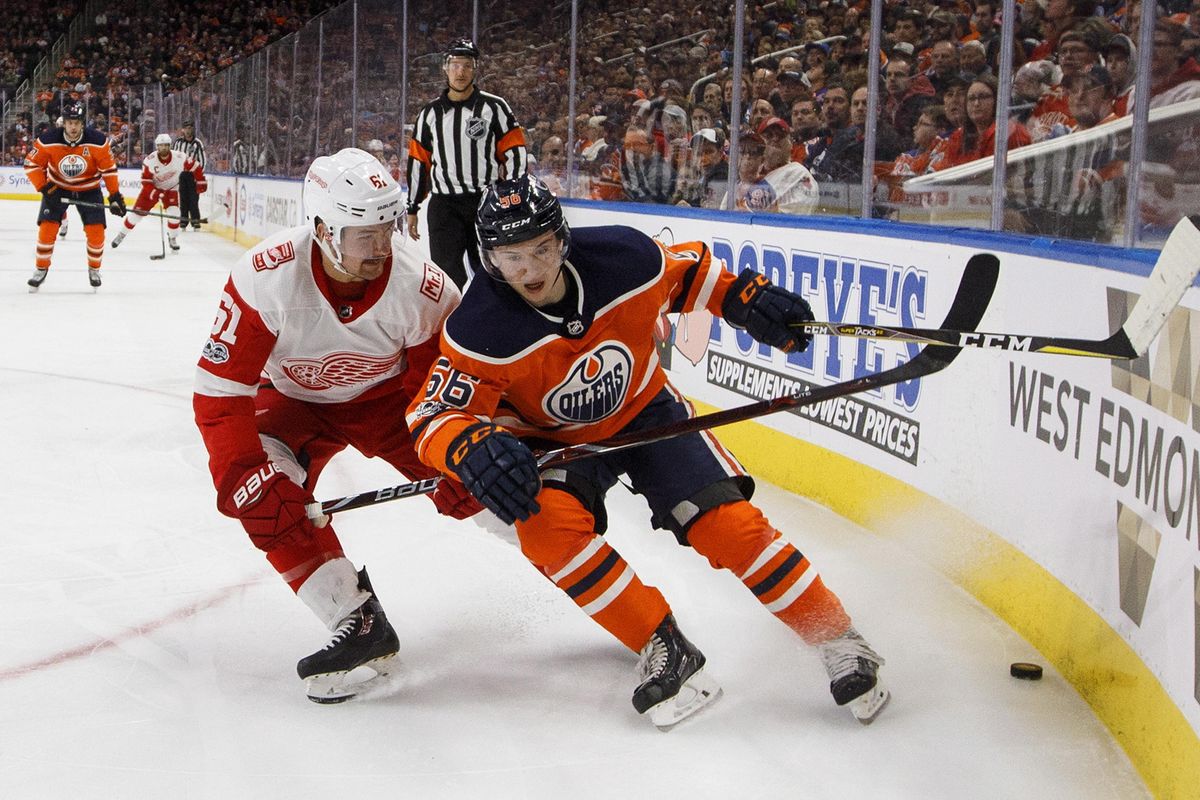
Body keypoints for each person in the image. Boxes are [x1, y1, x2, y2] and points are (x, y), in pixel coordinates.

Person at [406, 175, 890, 729]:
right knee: (545, 528)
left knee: (726, 526)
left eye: (541, 248)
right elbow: (432, 415)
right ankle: (661, 643)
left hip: (645, 409)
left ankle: (838, 637)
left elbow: (689, 273)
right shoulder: (478, 328)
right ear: (489, 259)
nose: (531, 270)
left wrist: (741, 296)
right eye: (512, 256)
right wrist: (468, 444)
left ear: (563, 238)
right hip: (558, 441)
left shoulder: (624, 257)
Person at [192, 148, 480, 704]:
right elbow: (220, 394)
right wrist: (245, 474)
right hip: (293, 403)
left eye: (387, 227)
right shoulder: (264, 277)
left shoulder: (424, 288)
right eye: (363, 234)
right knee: (263, 499)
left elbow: (442, 396)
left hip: (391, 403)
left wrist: (471, 458)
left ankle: (599, 581)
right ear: (322, 229)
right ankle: (358, 620)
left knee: (483, 484)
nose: (382, 247)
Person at [405, 38, 527, 288]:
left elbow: (515, 151)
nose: (460, 71)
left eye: (467, 65)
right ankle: (450, 323)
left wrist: (512, 194)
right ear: (445, 68)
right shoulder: (429, 114)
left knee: (491, 269)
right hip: (444, 206)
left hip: (485, 202)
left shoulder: (495, 107)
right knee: (446, 274)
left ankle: (491, 320)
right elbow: (419, 161)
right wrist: (413, 206)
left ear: (475, 69)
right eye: (455, 64)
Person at [24, 101, 124, 292]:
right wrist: (44, 187)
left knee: (96, 232)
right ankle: (40, 269)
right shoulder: (47, 140)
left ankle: (94, 269)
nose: (73, 126)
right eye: (69, 122)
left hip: (89, 189)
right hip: (57, 188)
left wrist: (114, 195)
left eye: (76, 122)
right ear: (64, 123)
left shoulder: (97, 141)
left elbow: (109, 169)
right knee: (47, 228)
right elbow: (32, 165)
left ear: (82, 123)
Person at [112, 133, 206, 253]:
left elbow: (195, 166)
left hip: (171, 188)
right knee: (136, 215)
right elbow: (146, 181)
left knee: (175, 214)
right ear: (157, 146)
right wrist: (155, 193)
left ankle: (172, 238)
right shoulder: (150, 160)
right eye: (161, 146)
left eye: (166, 145)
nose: (164, 148)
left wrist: (201, 181)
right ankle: (121, 234)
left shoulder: (180, 157)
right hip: (152, 189)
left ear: (169, 145)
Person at [173, 119, 206, 230]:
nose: (188, 130)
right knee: (183, 199)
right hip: (181, 175)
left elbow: (202, 161)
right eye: (186, 128)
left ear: (193, 129)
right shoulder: (178, 142)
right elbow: (173, 158)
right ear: (183, 130)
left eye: (190, 128)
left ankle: (195, 221)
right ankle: (183, 221)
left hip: (193, 176)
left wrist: (199, 176)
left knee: (193, 199)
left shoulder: (197, 143)